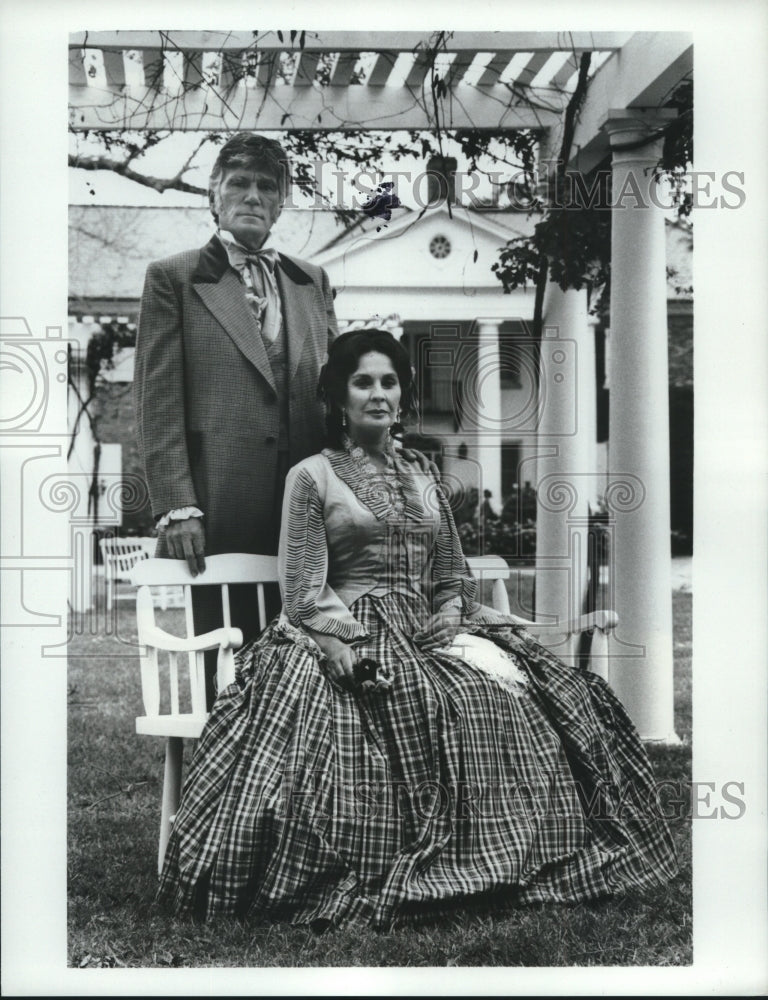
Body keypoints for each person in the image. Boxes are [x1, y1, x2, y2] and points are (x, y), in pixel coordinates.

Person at [157, 329, 677, 929]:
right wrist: (340, 644)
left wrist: (454, 609)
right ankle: (409, 857)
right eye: (363, 383)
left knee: (505, 695)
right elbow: (302, 586)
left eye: (389, 382)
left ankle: (509, 853)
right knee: (411, 701)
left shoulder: (425, 470)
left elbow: (450, 567)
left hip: (426, 626)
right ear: (337, 399)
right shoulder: (312, 476)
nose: (378, 394)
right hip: (346, 625)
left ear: (401, 394)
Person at [134, 133, 337, 705]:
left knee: (306, 644)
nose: (252, 196)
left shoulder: (311, 281)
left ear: (281, 203)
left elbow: (335, 393)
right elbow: (157, 398)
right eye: (239, 184)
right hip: (218, 502)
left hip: (308, 503)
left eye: (266, 187)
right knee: (225, 648)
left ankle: (296, 766)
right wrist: (177, 504)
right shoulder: (173, 278)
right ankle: (219, 765)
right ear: (213, 196)